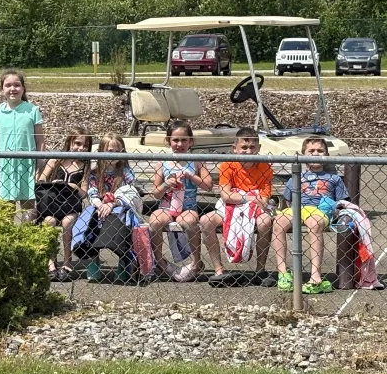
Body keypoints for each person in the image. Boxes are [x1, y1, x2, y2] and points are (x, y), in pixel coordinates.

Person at [272, 137, 349, 294]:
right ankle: (283, 274)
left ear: (326, 155)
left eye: (320, 151)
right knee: (279, 222)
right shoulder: (296, 176)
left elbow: (342, 202)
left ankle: (315, 276)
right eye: (311, 151)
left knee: (314, 223)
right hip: (298, 208)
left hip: (319, 210)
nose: (315, 154)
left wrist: (335, 211)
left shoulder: (334, 178)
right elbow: (288, 200)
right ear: (302, 155)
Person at [200, 127, 274, 287]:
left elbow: (264, 201)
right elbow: (225, 196)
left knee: (265, 222)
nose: (248, 151)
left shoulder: (265, 167)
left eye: (252, 147)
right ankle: (218, 270)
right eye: (244, 147)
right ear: (235, 148)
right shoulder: (228, 165)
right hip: (229, 209)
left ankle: (260, 271)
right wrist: (250, 197)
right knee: (206, 220)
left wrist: (239, 197)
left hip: (255, 210)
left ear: (259, 148)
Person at [148, 121, 212, 282]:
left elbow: (208, 185)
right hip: (167, 206)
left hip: (187, 207)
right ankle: (160, 261)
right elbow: (155, 193)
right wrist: (165, 184)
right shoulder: (162, 163)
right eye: (175, 140)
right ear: (168, 141)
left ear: (190, 141)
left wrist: (191, 176)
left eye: (184, 140)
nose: (179, 144)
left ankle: (196, 262)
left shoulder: (196, 161)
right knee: (155, 221)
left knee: (190, 221)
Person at [0, 69, 45, 219]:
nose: (13, 89)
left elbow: (40, 141)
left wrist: (40, 168)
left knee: (29, 212)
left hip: (27, 166)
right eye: (8, 85)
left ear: (23, 88)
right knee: (6, 212)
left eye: (17, 85)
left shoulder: (32, 110)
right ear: (2, 89)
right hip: (5, 168)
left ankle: (27, 238)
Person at [79, 133, 138, 282]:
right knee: (88, 219)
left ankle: (124, 261)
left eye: (117, 151)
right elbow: (92, 193)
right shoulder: (94, 173)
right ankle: (93, 260)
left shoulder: (126, 173)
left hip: (119, 206)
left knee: (123, 221)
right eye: (109, 151)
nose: (113, 155)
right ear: (100, 152)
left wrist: (112, 204)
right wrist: (100, 205)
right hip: (99, 206)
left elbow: (129, 193)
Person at [39, 126, 92, 281]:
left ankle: (67, 262)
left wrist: (74, 187)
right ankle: (51, 262)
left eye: (85, 146)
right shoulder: (56, 160)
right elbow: (41, 181)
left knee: (68, 222)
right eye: (77, 143)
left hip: (71, 206)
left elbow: (84, 194)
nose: (81, 148)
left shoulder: (85, 166)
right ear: (69, 142)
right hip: (52, 205)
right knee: (49, 222)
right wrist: (53, 183)